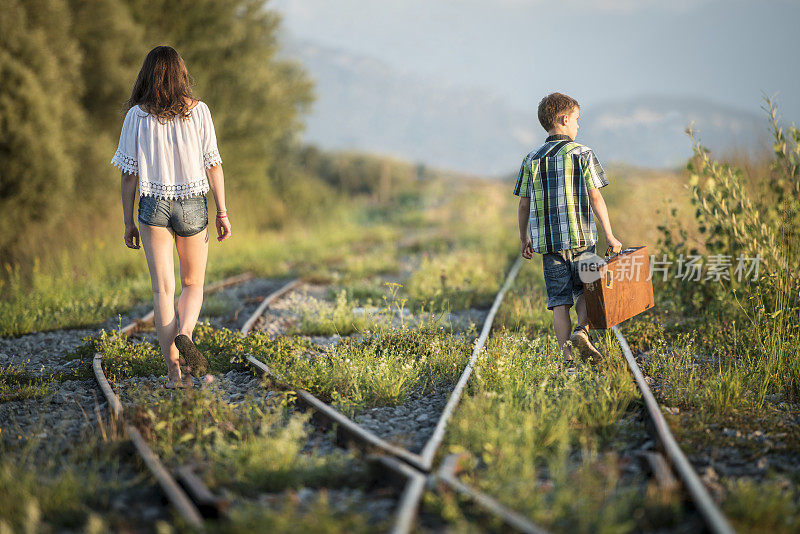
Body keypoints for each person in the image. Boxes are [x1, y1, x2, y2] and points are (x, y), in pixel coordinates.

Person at [112, 46, 232, 388]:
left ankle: (175, 375)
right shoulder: (200, 112)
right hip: (193, 202)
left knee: (163, 291)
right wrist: (222, 211)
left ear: (147, 75)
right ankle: (186, 333)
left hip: (153, 205)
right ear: (181, 74)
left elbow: (128, 175)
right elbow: (213, 164)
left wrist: (127, 222)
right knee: (193, 284)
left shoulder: (137, 115)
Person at [514, 92, 621, 365]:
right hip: (582, 237)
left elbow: (524, 204)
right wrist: (609, 234)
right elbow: (596, 197)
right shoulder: (582, 153)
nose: (577, 126)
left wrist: (524, 237)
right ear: (564, 119)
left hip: (549, 244)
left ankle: (567, 358)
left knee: (559, 301)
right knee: (587, 288)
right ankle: (582, 330)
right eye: (576, 120)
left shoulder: (531, 159)